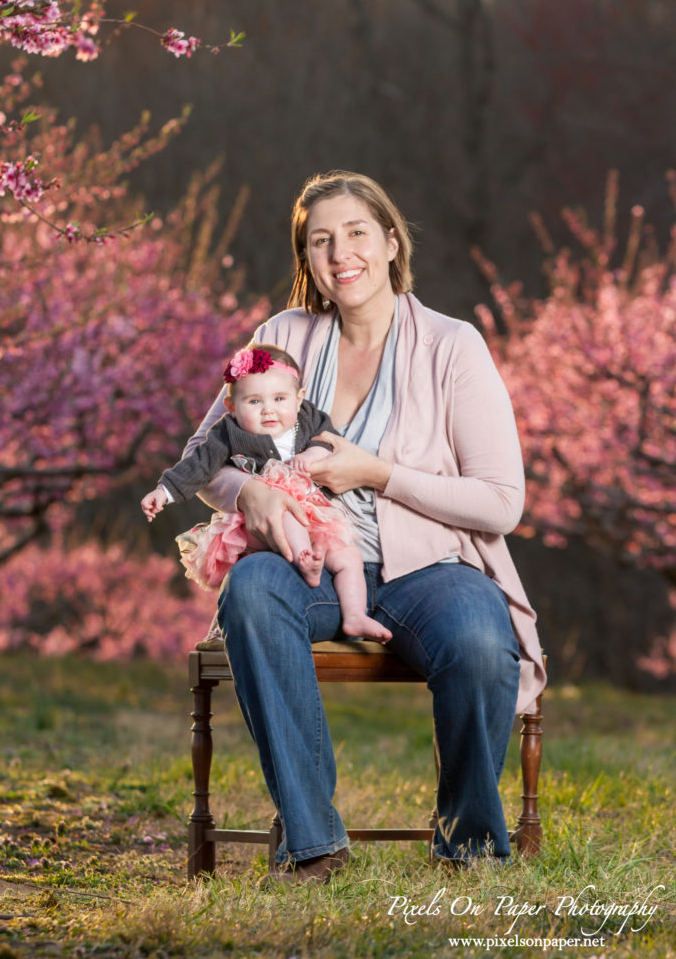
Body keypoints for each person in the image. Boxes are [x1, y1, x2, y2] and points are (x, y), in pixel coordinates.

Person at [180, 170, 546, 883]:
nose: (338, 252)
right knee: (251, 592)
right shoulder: (281, 336)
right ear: (306, 259)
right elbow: (205, 463)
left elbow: (502, 503)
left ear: (388, 241)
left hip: (430, 571)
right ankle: (314, 843)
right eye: (319, 240)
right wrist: (249, 496)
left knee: (477, 640)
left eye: (353, 233)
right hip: (308, 567)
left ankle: (465, 844)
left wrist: (375, 474)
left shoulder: (452, 345)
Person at [140, 344, 391, 643]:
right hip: (263, 523)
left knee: (349, 557)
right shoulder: (229, 432)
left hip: (315, 518)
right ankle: (304, 562)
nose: (268, 409)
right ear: (232, 406)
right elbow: (199, 464)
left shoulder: (309, 419)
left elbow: (331, 441)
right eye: (254, 401)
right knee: (284, 512)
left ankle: (354, 617)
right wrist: (164, 491)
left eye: (279, 399)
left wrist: (313, 453)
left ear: (299, 400)